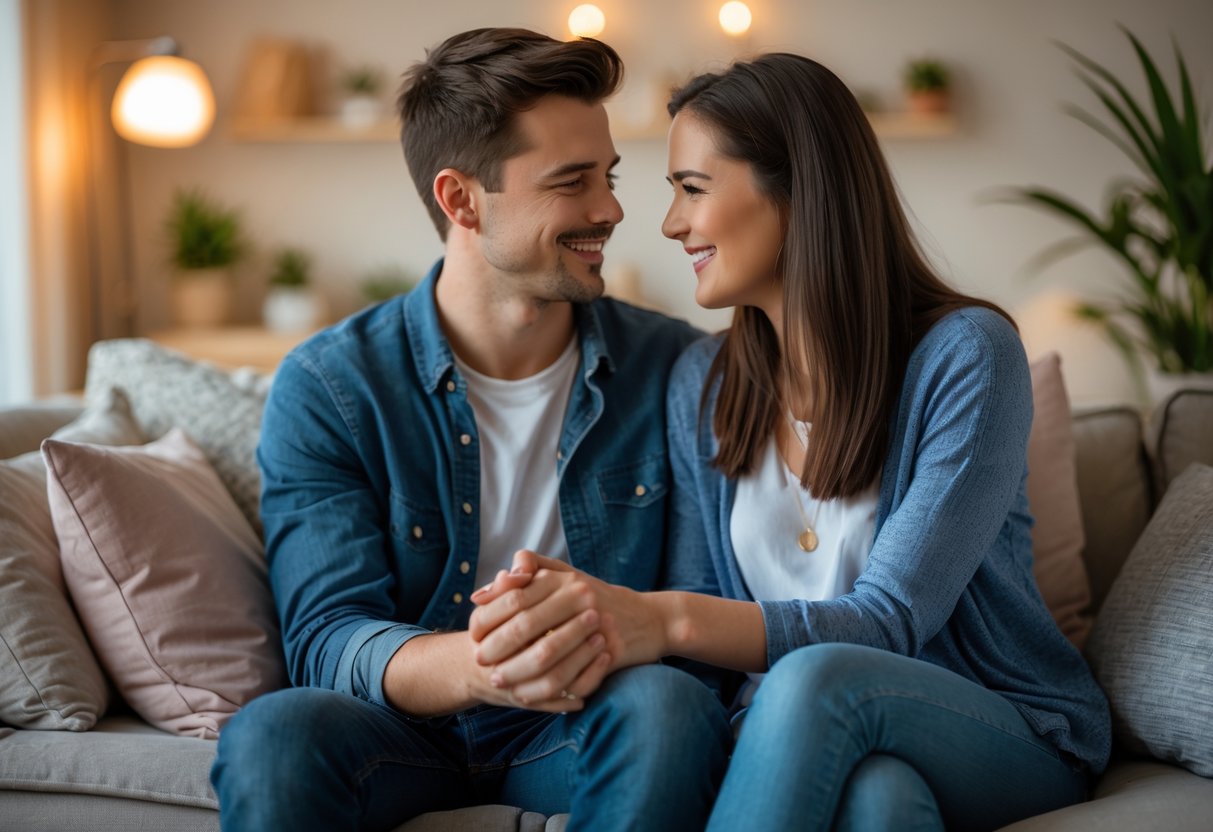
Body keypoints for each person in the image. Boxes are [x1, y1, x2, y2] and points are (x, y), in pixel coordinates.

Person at [469, 52, 1112, 830]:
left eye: (692, 189)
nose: (670, 224)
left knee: (813, 680)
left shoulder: (967, 355)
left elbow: (887, 623)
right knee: (880, 804)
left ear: (798, 190)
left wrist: (662, 617)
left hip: (1005, 730)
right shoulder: (701, 383)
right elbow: (709, 662)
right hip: (827, 736)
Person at [209, 28, 732, 832]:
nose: (613, 208)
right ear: (461, 199)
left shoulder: (677, 369)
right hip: (397, 735)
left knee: (667, 703)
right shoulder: (330, 385)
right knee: (274, 733)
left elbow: (699, 614)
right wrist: (490, 664)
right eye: (572, 182)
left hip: (578, 724)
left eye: (609, 176)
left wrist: (578, 650)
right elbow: (325, 639)